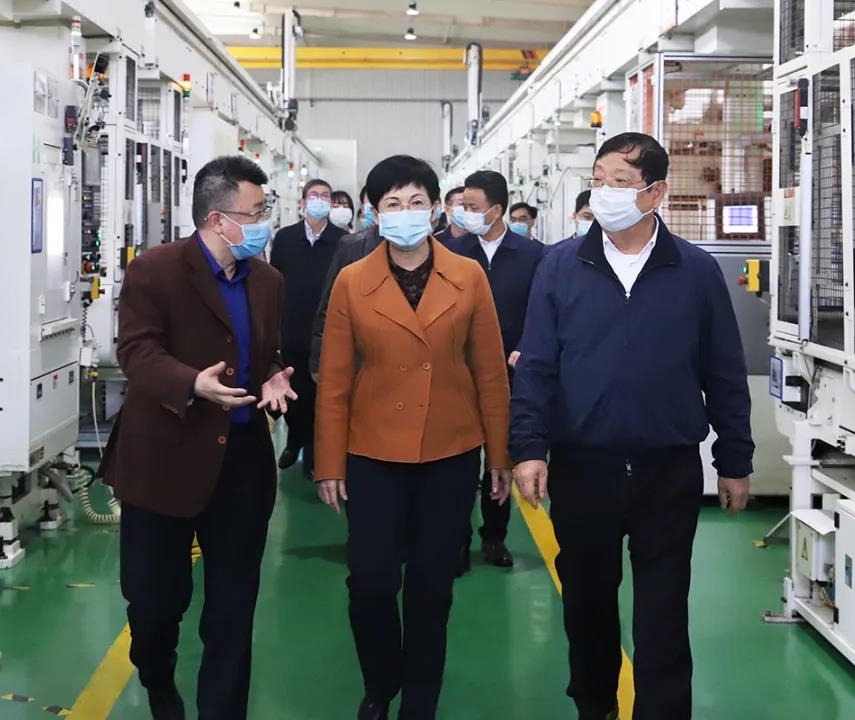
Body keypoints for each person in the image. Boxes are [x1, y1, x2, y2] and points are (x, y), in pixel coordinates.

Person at [511, 132, 754, 720]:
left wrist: (735, 461)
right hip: (583, 465)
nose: (604, 193)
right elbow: (537, 364)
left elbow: (723, 370)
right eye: (598, 181)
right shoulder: (560, 265)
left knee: (663, 610)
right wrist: (529, 446)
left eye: (620, 182)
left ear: (656, 193)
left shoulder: (693, 271)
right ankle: (594, 705)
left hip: (665, 467)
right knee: (586, 601)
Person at [315, 155, 513, 720]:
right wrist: (329, 463)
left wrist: (499, 454)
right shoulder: (353, 281)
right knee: (371, 582)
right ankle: (381, 682)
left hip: (449, 451)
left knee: (432, 587)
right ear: (375, 214)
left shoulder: (469, 276)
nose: (406, 212)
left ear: (435, 210)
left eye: (417, 202)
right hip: (372, 451)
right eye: (393, 203)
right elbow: (334, 378)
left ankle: (420, 701)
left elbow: (490, 371)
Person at [101, 155, 297, 720]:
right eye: (255, 213)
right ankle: (158, 679)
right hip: (165, 459)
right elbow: (136, 350)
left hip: (241, 465)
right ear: (218, 219)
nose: (263, 223)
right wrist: (192, 384)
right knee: (155, 602)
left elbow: (265, 352)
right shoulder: (155, 271)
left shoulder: (268, 281)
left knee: (233, 610)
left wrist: (272, 375)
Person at [446, 170, 544, 573]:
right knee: (458, 461)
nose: (464, 213)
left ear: (496, 210)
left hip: (511, 374)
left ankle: (494, 536)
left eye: (472, 207)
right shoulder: (449, 252)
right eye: (462, 206)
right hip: (457, 374)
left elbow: (543, 312)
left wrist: (527, 346)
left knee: (501, 457)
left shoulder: (534, 256)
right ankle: (455, 540)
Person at [270, 178, 347, 475]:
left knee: (321, 394)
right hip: (291, 328)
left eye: (325, 196)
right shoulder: (285, 238)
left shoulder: (342, 240)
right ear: (303, 202)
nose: (320, 200)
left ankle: (316, 453)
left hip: (327, 330)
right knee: (295, 391)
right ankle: (295, 440)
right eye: (314, 195)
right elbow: (275, 280)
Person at [310, 185, 381, 378]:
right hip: (359, 358)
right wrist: (319, 362)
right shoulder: (352, 245)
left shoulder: (439, 254)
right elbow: (329, 306)